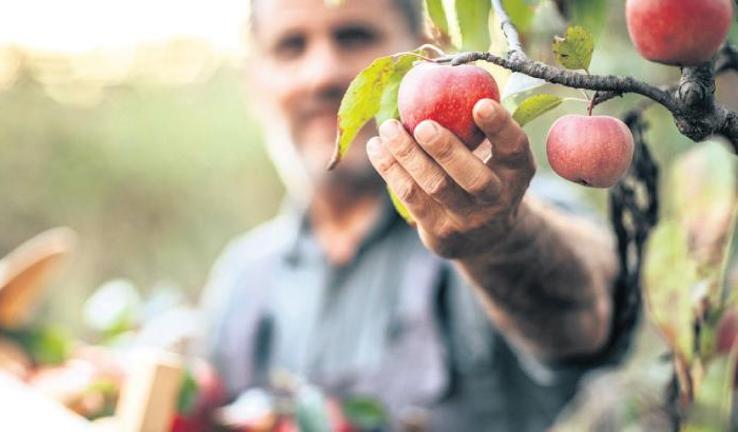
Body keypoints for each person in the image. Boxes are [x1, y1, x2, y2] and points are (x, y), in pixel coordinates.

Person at [200, 0, 630, 430]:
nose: (323, 74)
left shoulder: (505, 205)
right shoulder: (241, 282)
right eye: (291, 46)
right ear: (255, 83)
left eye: (355, 36)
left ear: (427, 54)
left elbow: (586, 315)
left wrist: (502, 241)